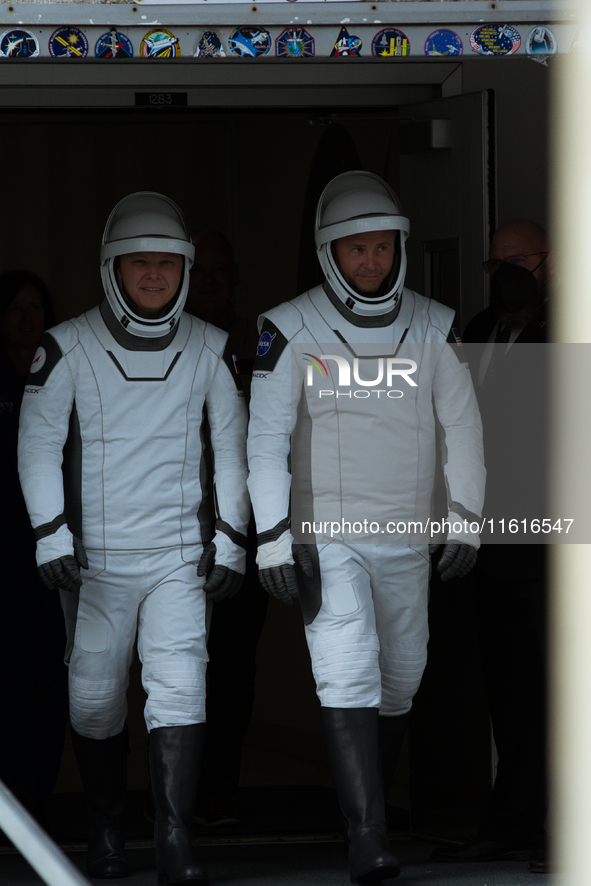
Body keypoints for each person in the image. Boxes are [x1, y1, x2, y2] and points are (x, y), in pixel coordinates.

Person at [246, 171, 486, 883]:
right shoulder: (285, 328)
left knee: (400, 677)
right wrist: (270, 536)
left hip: (409, 535)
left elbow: (462, 429)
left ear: (398, 248)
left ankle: (368, 815)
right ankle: (366, 839)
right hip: (328, 535)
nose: (371, 263)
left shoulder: (435, 323)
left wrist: (466, 521)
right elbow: (264, 440)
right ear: (329, 253)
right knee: (346, 665)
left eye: (381, 248)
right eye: (356, 250)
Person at [17, 193, 249, 884]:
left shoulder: (211, 348)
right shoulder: (66, 345)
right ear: (111, 269)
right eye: (138, 264)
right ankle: (106, 831)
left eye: (166, 265)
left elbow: (234, 452)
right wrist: (51, 535)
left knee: (180, 690)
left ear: (184, 269)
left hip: (180, 557)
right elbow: (36, 447)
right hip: (95, 564)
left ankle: (175, 840)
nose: (154, 277)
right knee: (93, 697)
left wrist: (232, 541)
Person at [431, 219, 553, 872]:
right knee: (505, 695)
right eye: (495, 263)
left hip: (551, 548)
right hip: (486, 543)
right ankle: (507, 823)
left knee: (556, 696)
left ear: (550, 262)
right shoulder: (479, 328)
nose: (507, 273)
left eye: (520, 261)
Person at [186, 230, 268, 826]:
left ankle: (219, 789)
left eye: (220, 270)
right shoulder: (166, 339)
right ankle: (176, 792)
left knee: (234, 664)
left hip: (248, 527)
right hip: (175, 524)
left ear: (235, 275)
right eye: (201, 271)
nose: (210, 281)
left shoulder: (264, 340)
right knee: (179, 663)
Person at [0, 271, 68, 826]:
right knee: (11, 668)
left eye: (35, 309)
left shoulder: (65, 373)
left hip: (58, 544)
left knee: (54, 663)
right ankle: (15, 793)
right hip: (3, 547)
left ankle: (41, 788)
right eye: (16, 310)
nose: (27, 319)